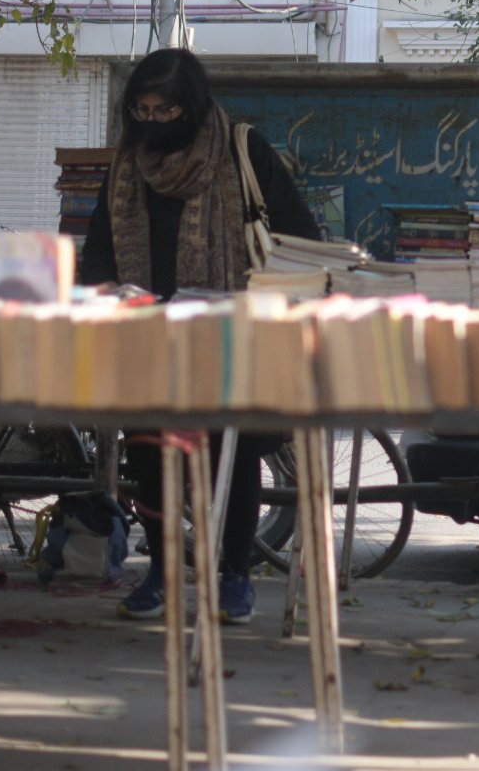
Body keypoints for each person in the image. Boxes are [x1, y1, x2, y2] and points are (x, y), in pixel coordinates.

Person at [79, 47, 321, 622]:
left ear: (190, 107)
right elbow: (99, 248)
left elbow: (300, 238)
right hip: (148, 339)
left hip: (229, 337)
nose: (152, 122)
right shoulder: (127, 164)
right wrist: (110, 291)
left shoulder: (242, 151)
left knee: (231, 457)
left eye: (164, 112)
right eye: (142, 111)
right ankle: (161, 574)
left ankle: (234, 575)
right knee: (150, 462)